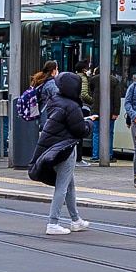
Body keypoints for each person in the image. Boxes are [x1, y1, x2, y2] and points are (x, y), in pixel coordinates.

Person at [30, 72, 92, 236]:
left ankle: (76, 220)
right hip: (65, 149)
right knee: (62, 186)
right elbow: (79, 130)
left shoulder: (55, 101)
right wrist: (89, 123)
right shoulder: (72, 106)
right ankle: (53, 222)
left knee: (69, 184)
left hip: (54, 147)